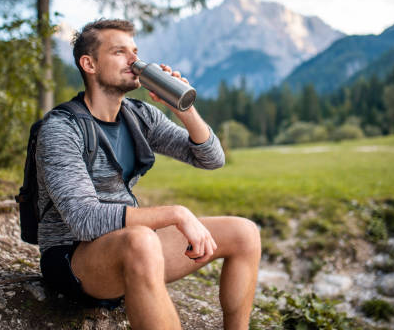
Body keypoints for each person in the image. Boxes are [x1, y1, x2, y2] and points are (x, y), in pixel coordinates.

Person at [35, 18, 261, 329]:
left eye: (135, 51)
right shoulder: (62, 128)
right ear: (89, 63)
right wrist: (176, 214)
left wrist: (182, 106)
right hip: (73, 258)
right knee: (141, 240)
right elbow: (84, 220)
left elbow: (211, 158)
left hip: (133, 248)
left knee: (244, 233)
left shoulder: (139, 117)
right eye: (119, 52)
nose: (135, 61)